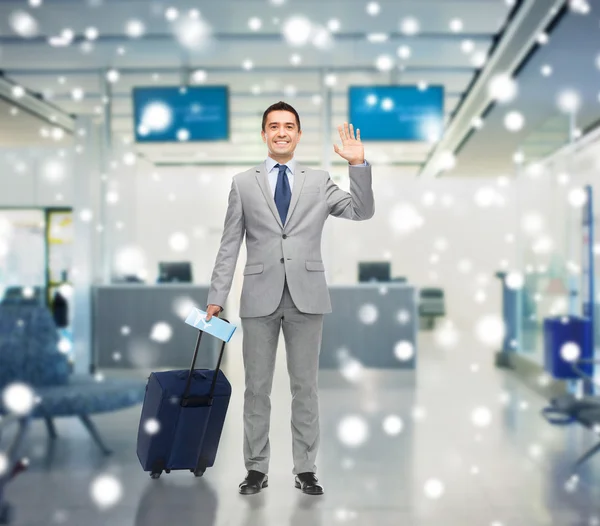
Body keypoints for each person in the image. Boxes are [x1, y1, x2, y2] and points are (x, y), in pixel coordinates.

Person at [205, 101, 375, 496]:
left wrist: (358, 167)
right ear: (264, 134)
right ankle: (256, 469)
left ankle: (306, 469)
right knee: (256, 388)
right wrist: (217, 295)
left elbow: (360, 211)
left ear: (298, 135)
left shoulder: (318, 181)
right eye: (274, 126)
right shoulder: (243, 183)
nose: (281, 132)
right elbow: (229, 244)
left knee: (306, 388)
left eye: (289, 126)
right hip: (258, 299)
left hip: (307, 297)